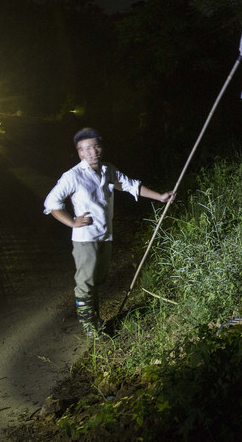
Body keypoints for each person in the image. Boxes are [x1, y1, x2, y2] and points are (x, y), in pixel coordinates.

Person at [44, 127, 174, 338]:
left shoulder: (108, 170)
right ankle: (90, 327)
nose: (93, 151)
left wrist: (160, 197)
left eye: (96, 146)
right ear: (80, 153)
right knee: (85, 283)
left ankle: (96, 319)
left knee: (97, 280)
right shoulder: (73, 176)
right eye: (87, 149)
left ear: (101, 147)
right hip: (86, 239)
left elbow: (130, 185)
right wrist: (71, 222)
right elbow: (51, 203)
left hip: (105, 235)